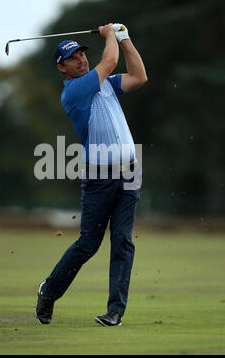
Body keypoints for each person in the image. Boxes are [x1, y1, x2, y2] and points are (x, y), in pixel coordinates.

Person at [36, 23, 147, 326]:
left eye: (82, 54)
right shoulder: (74, 92)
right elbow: (108, 62)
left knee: (123, 241)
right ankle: (48, 292)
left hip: (130, 173)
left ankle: (115, 311)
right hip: (99, 178)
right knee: (88, 245)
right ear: (62, 68)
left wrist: (124, 38)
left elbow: (139, 76)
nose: (81, 59)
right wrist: (109, 34)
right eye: (73, 58)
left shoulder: (107, 85)